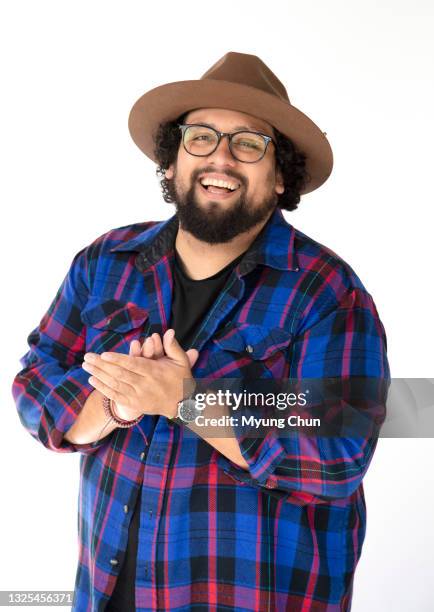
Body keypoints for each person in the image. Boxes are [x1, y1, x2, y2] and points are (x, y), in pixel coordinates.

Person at [12, 52, 390, 611]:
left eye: (249, 143)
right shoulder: (106, 262)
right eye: (201, 137)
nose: (221, 158)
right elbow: (36, 384)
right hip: (110, 592)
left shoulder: (329, 293)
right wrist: (118, 405)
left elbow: (338, 450)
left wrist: (187, 402)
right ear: (171, 161)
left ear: (280, 173)